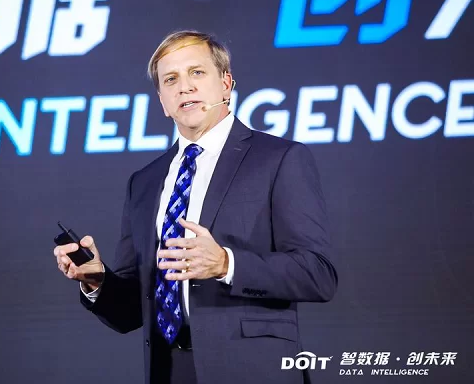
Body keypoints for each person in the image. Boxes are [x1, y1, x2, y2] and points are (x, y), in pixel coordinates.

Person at [53, 30, 338, 384]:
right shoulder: (144, 182)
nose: (184, 87)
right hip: (169, 370)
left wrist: (226, 264)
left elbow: (318, 275)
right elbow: (131, 312)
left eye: (197, 73)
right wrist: (98, 281)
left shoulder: (279, 159)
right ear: (162, 101)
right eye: (170, 79)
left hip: (251, 370)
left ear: (226, 84)